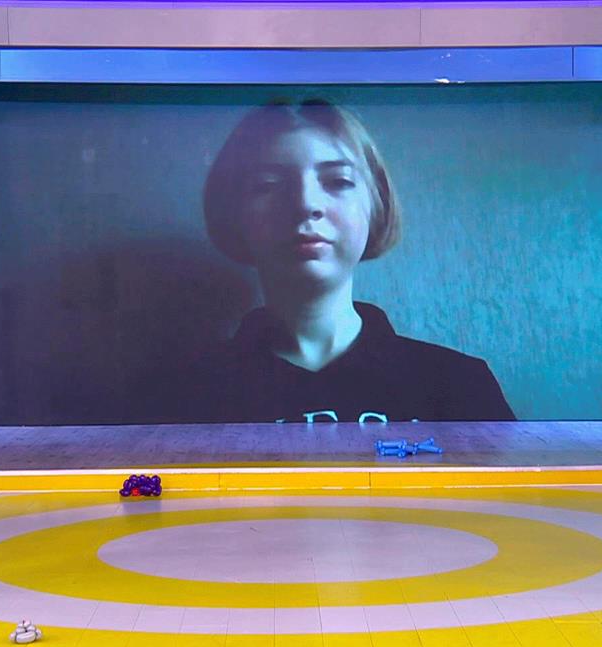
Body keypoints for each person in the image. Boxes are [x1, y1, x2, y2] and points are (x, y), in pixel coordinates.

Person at [149, 99, 514, 424]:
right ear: (234, 213)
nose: (306, 204)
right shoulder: (175, 395)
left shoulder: (459, 385)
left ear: (376, 204)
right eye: (269, 184)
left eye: (338, 181)